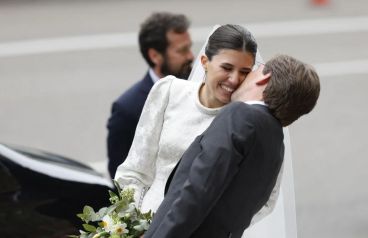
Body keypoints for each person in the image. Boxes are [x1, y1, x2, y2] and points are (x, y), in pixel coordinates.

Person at [115, 25, 279, 224]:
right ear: (204, 62)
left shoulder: (250, 123)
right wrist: (134, 223)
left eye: (244, 72)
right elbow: (135, 171)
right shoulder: (168, 91)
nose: (234, 79)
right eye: (226, 68)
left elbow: (265, 200)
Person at [144, 54, 321, 238]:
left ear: (264, 77)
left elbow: (199, 189)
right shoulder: (276, 144)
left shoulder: (241, 115)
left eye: (253, 70)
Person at [106, 12, 194, 178]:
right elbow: (120, 178)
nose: (190, 56)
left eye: (189, 47)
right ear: (155, 56)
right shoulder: (127, 109)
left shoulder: (198, 88)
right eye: (182, 50)